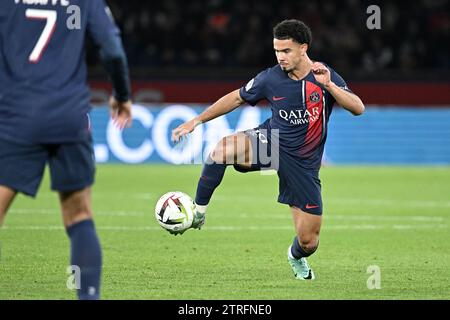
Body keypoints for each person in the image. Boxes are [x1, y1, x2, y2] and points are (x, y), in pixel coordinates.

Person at [172, 19, 365, 280]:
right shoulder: (270, 77)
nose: (280, 57)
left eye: (286, 51)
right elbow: (237, 96)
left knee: (309, 242)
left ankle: (294, 256)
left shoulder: (322, 75)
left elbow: (357, 108)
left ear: (303, 48)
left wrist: (329, 85)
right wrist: (197, 120)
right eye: (276, 50)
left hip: (303, 164)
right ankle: (198, 212)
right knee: (222, 149)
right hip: (271, 143)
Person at [0, 0, 132, 298]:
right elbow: (111, 49)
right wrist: (122, 94)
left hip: (15, 114)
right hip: (69, 115)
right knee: (79, 216)